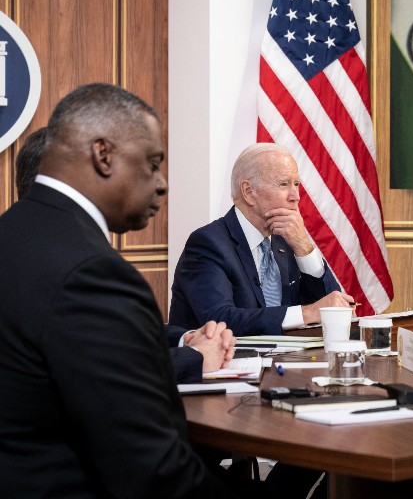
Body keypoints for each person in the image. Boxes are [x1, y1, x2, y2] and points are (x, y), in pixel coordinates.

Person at [0, 83, 236, 497]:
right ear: (103, 155)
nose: (162, 184)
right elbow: (153, 472)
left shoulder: (15, 234)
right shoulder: (92, 273)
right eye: (153, 164)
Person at [13, 126, 236, 384]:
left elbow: (113, 333)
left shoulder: (38, 245)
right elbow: (102, 367)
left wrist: (184, 338)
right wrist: (195, 357)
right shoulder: (68, 264)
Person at [169, 143, 353, 336]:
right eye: (284, 184)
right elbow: (219, 320)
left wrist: (304, 247)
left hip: (287, 362)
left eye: (296, 184)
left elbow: (332, 308)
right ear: (249, 192)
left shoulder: (286, 241)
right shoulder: (208, 243)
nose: (296, 196)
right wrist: (307, 313)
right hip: (227, 363)